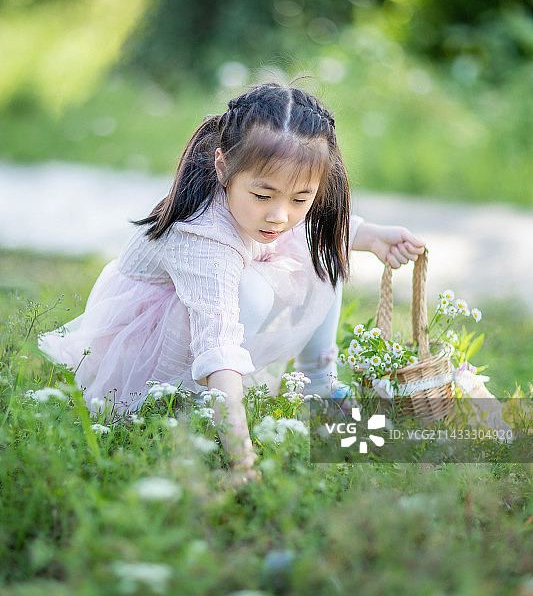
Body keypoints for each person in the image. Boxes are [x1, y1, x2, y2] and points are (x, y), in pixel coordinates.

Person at [39, 83, 425, 482]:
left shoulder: (269, 209)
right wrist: (243, 460)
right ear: (223, 167)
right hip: (155, 348)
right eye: (263, 195)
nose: (279, 214)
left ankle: (319, 386)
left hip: (216, 310)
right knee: (254, 291)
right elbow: (217, 346)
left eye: (300, 198)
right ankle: (198, 411)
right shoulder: (202, 237)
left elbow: (306, 226)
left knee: (320, 249)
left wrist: (372, 236)